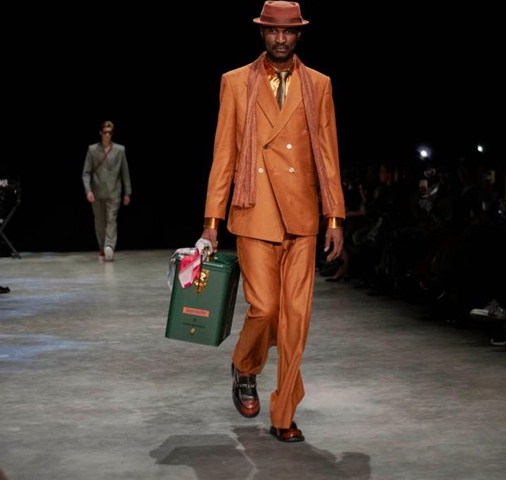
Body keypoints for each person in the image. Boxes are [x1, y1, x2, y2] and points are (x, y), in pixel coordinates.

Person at [199, 1, 345, 443]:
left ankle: (284, 415)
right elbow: (224, 155)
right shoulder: (235, 82)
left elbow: (328, 154)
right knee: (265, 310)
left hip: (302, 215)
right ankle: (244, 366)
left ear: (299, 35)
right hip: (254, 211)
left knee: (296, 319)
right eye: (272, 32)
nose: (280, 39)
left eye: (288, 32)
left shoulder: (318, 84)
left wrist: (335, 217)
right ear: (262, 34)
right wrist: (211, 221)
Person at [81, 120, 132, 261]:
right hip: (97, 193)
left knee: (111, 220)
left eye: (110, 132)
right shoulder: (92, 150)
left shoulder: (120, 150)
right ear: (101, 133)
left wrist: (127, 192)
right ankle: (102, 246)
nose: (107, 135)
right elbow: (86, 172)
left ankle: (109, 246)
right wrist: (88, 190)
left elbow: (124, 172)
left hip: (114, 191)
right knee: (99, 222)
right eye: (105, 132)